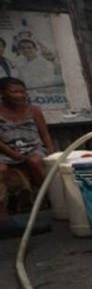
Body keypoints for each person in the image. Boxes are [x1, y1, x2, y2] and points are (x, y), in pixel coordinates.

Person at [0, 77, 54, 237]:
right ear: (2, 94)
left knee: (35, 161)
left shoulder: (34, 111)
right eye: (14, 92)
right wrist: (12, 154)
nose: (20, 95)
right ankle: (3, 220)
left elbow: (45, 135)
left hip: (33, 148)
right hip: (6, 151)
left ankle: (52, 198)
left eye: (22, 92)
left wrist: (51, 154)